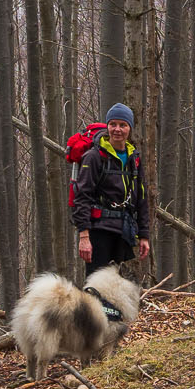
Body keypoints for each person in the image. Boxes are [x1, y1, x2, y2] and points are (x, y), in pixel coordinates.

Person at [72, 102, 151, 270]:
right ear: (107, 126)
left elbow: (141, 198)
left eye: (123, 125)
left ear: (130, 128)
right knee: (96, 285)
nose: (117, 129)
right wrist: (84, 236)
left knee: (115, 285)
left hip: (124, 229)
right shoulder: (94, 157)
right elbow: (82, 196)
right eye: (113, 124)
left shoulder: (134, 158)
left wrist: (144, 235)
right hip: (98, 230)